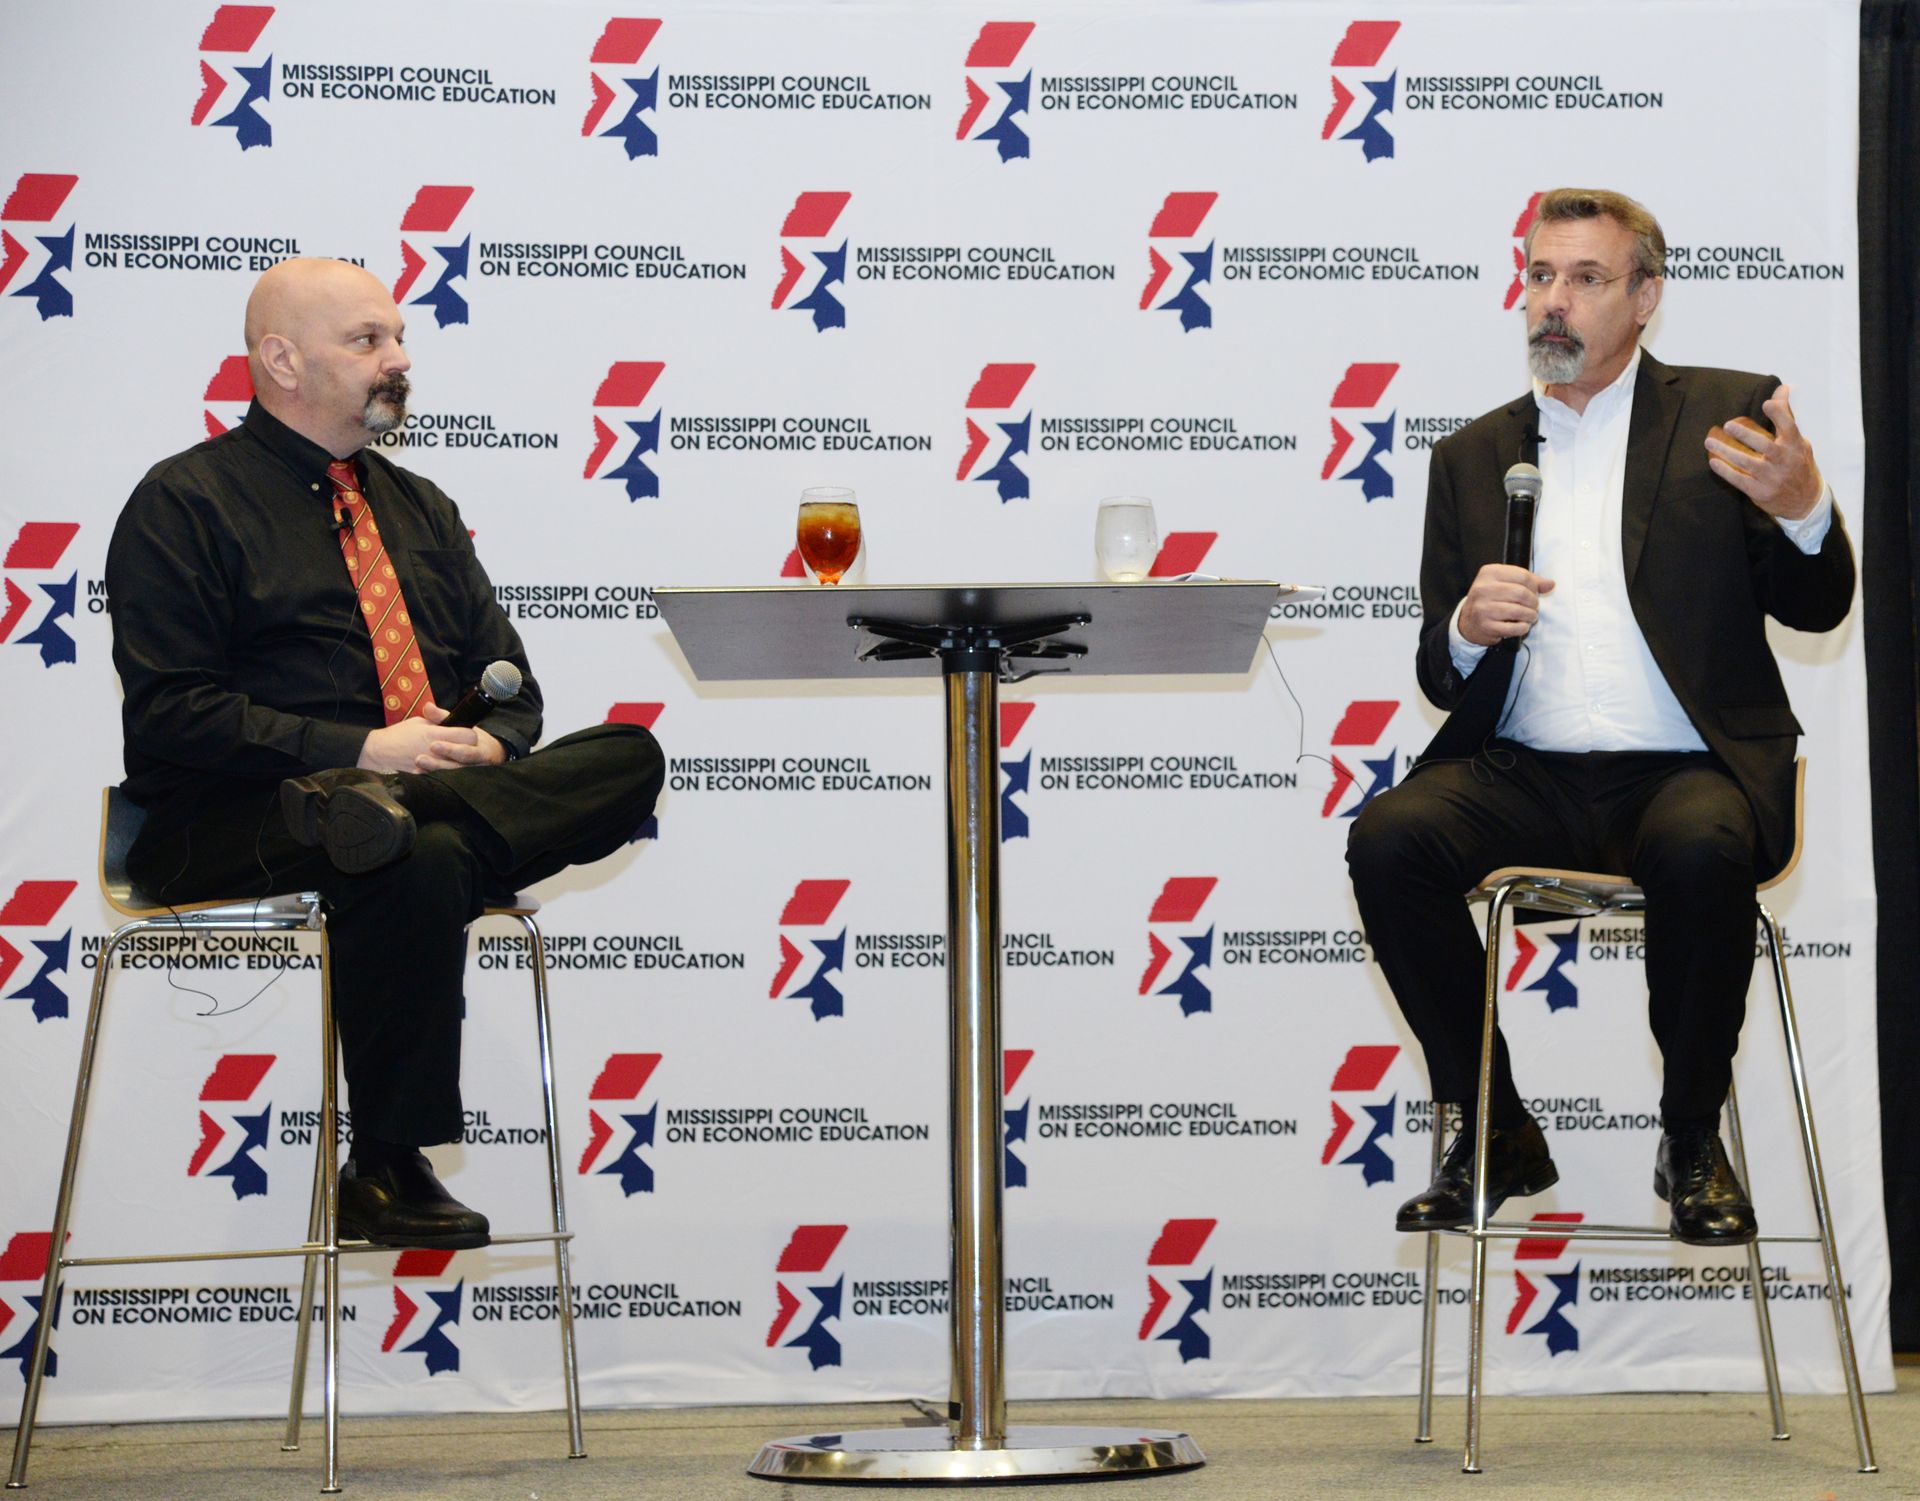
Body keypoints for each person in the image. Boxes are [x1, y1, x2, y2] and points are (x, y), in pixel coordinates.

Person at [106, 258, 664, 1249]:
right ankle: (388, 1158)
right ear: (280, 359)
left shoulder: (421, 510)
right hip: (233, 817)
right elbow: (170, 714)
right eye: (368, 341)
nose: (398, 359)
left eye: (399, 339)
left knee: (627, 757)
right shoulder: (184, 504)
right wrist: (362, 748)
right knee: (412, 847)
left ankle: (387, 1159)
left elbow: (511, 686)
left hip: (410, 810)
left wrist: (485, 745)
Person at [1345, 189, 1854, 1246]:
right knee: (1390, 838)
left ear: (1646, 296)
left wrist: (1804, 508)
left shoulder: (1729, 417)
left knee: (1704, 847)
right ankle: (1494, 1126)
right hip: (1523, 770)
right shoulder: (1472, 455)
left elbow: (1819, 607)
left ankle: (1690, 1137)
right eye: (1539, 276)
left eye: (1585, 279)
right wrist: (1468, 632)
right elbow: (1442, 678)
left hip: (1683, 769)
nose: (1555, 303)